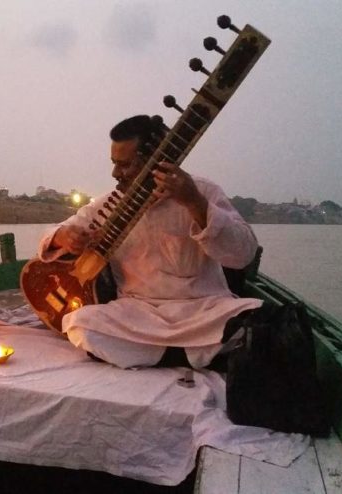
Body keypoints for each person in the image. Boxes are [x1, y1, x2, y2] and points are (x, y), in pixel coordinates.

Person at [36, 115, 263, 369]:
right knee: (81, 324)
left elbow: (244, 253)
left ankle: (154, 354)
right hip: (138, 312)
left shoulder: (201, 191)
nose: (115, 173)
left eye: (125, 165)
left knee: (257, 317)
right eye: (114, 164)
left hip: (204, 310)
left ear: (156, 162)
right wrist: (63, 236)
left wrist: (194, 203)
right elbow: (53, 234)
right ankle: (200, 356)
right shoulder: (110, 205)